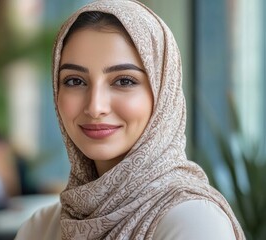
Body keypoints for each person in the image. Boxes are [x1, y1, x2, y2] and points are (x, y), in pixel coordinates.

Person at [15, 0, 245, 239]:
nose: (95, 107)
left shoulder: (194, 223)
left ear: (164, 92)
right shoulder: (41, 227)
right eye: (75, 81)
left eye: (124, 81)